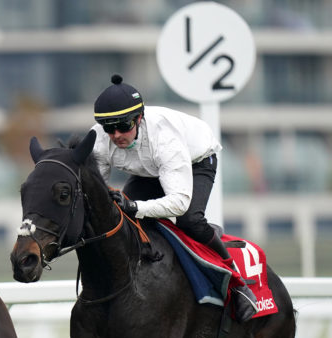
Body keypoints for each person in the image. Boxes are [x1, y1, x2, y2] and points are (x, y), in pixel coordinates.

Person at [90, 74, 258, 323]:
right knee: (122, 218)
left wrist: (135, 206)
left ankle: (238, 285)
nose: (116, 135)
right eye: (109, 128)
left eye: (123, 126)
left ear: (138, 118)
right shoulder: (99, 142)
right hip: (148, 170)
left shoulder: (164, 139)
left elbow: (179, 203)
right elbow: (99, 194)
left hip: (195, 159)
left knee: (189, 220)